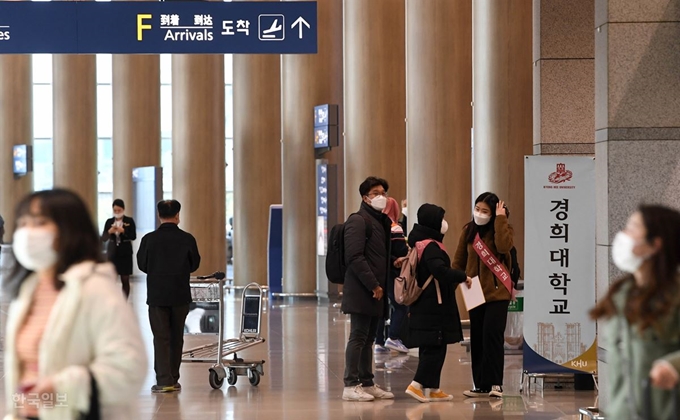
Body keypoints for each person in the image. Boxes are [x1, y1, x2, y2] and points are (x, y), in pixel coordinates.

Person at [3, 189, 147, 420]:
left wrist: (63, 386)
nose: (28, 233)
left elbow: (128, 369)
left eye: (40, 223)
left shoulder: (94, 287)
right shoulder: (30, 288)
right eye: (23, 223)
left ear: (68, 230)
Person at [590, 205, 680, 420]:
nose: (623, 235)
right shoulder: (621, 295)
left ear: (655, 244)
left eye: (633, 228)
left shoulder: (675, 296)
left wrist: (674, 365)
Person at [404, 204, 470, 403]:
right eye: (441, 219)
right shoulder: (431, 246)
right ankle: (417, 385)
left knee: (432, 344)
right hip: (434, 304)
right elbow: (440, 271)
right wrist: (462, 276)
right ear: (433, 221)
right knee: (435, 346)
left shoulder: (422, 242)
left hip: (429, 303)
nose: (444, 223)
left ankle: (433, 388)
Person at [453, 192, 514, 398]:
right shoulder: (468, 231)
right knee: (477, 337)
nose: (479, 214)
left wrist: (500, 219)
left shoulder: (503, 229)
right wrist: (451, 283)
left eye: (485, 211)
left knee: (492, 336)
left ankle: (496, 383)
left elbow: (504, 247)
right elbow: (458, 261)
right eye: (477, 209)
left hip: (498, 293)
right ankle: (480, 384)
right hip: (474, 291)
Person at [137, 199, 201, 393]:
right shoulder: (187, 239)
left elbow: (142, 265)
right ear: (177, 216)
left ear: (159, 215)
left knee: (161, 337)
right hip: (180, 294)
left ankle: (164, 381)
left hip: (157, 295)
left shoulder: (149, 239)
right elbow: (194, 264)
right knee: (176, 337)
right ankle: (174, 377)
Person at [342, 176, 394, 402]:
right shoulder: (358, 220)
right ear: (365, 197)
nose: (381, 196)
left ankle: (367, 381)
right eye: (375, 193)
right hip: (363, 289)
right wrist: (373, 284)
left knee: (370, 338)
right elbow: (354, 256)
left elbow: (377, 256)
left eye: (383, 192)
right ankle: (350, 384)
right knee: (358, 336)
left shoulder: (379, 221)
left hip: (377, 290)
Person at [375, 197, 410, 354]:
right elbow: (401, 250)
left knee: (381, 307)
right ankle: (393, 337)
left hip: (378, 272)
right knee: (401, 306)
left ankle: (378, 341)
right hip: (393, 274)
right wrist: (399, 258)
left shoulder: (377, 227)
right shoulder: (395, 228)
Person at [101, 198, 137, 298]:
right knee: (112, 278)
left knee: (125, 278)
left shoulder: (129, 221)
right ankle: (112, 299)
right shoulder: (109, 222)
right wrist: (109, 232)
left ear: (123, 209)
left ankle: (125, 300)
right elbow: (103, 238)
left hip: (125, 252)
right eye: (115, 210)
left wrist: (123, 231)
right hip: (113, 251)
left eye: (119, 210)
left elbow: (133, 236)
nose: (117, 212)